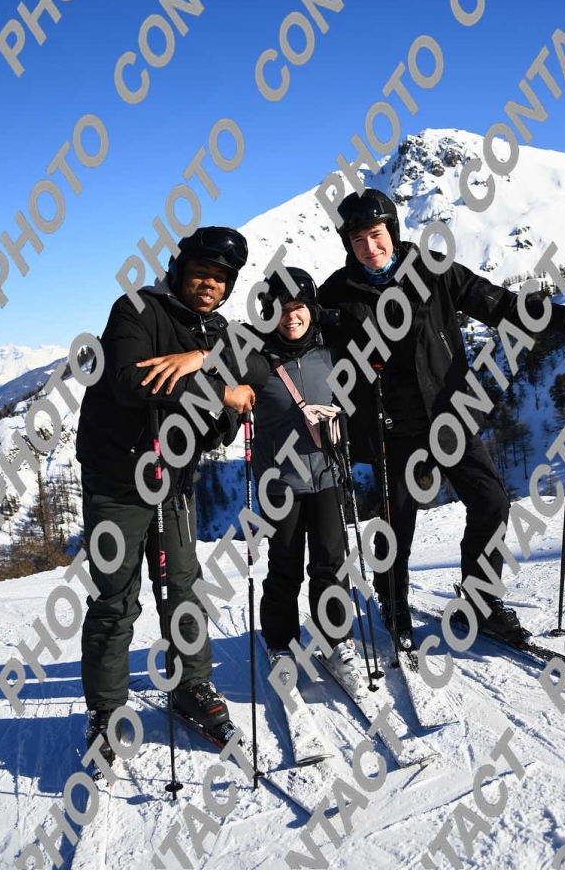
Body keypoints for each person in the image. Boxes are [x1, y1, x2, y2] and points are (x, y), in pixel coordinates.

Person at [319, 189, 565, 644]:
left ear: (391, 229)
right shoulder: (336, 294)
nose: (370, 248)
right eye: (358, 240)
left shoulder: (433, 270)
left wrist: (563, 319)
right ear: (347, 244)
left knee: (491, 502)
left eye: (376, 235)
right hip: (390, 427)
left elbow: (501, 305)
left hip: (449, 415)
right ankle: (392, 600)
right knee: (398, 522)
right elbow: (304, 345)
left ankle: (479, 599)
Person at [75, 226, 269, 760]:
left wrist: (202, 361)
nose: (210, 284)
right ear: (180, 271)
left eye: (221, 279)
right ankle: (106, 711)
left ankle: (190, 687)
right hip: (119, 480)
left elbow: (257, 369)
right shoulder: (136, 309)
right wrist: (221, 388)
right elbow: (132, 381)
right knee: (116, 599)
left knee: (183, 589)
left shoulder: (217, 330)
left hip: (175, 481)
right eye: (202, 272)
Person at [252, 268, 361, 683]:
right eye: (281, 310)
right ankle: (280, 642)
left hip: (328, 475)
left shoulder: (331, 352)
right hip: (280, 482)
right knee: (285, 565)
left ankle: (336, 639)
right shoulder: (258, 360)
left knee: (330, 563)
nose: (290, 317)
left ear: (311, 310)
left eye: (298, 308)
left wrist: (342, 419)